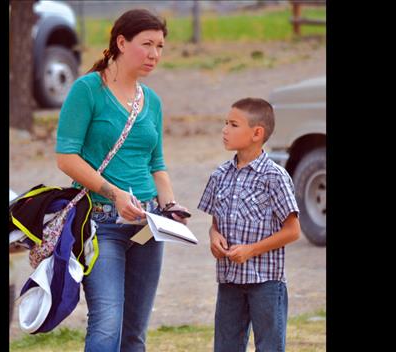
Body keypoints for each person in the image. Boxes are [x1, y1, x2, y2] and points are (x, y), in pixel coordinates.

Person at [55, 9, 189, 352]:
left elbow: (157, 163)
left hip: (148, 227)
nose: (154, 54)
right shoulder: (87, 90)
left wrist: (169, 205)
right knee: (106, 325)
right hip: (101, 223)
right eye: (146, 44)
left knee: (135, 332)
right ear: (121, 42)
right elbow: (66, 157)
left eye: (160, 46)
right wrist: (113, 193)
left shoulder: (152, 101)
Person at [197, 97, 301, 351]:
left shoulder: (275, 177)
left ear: (257, 133)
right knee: (226, 347)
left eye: (233, 125)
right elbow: (215, 224)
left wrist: (251, 250)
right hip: (229, 281)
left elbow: (293, 231)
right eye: (225, 123)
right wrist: (214, 238)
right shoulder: (219, 175)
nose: (225, 130)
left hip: (266, 282)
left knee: (269, 347)